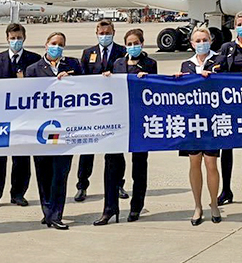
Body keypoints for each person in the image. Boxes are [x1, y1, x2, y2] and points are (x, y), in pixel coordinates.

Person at [96, 28, 158, 225]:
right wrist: (107, 78)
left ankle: (136, 206)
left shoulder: (150, 64)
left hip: (139, 120)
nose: (133, 47)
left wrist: (147, 80)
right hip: (119, 119)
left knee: (139, 164)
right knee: (111, 163)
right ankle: (109, 208)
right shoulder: (118, 63)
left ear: (142, 43)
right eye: (129, 44)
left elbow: (156, 90)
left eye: (136, 43)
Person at [26, 32, 82, 230]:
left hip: (65, 130)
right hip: (41, 130)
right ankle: (47, 211)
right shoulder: (33, 69)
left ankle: (56, 214)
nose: (56, 47)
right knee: (43, 174)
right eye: (53, 43)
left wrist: (72, 81)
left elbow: (87, 87)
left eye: (60, 44)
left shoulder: (73, 65)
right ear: (46, 45)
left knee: (60, 173)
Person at [0, 23, 41, 210]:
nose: (16, 41)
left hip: (24, 117)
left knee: (22, 159)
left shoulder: (34, 59)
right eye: (12, 38)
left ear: (24, 38)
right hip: (0, 117)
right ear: (7, 39)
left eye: (19, 38)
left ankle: (18, 193)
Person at [209, 13, 242, 205]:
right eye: (239, 24)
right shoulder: (227, 47)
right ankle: (226, 189)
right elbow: (217, 66)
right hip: (229, 105)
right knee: (227, 147)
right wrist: (214, 69)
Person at [75, 19, 127, 203]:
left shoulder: (123, 51)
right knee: (87, 149)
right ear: (96, 33)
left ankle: (118, 184)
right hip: (93, 108)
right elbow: (81, 77)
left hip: (114, 108)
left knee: (116, 150)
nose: (105, 36)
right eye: (102, 33)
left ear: (114, 33)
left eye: (108, 33)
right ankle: (82, 186)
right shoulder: (88, 53)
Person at [178, 27, 222, 225]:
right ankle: (197, 205)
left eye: (205, 39)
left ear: (211, 41)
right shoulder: (187, 64)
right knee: (194, 162)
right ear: (192, 44)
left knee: (211, 163)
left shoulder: (219, 61)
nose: (201, 43)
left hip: (212, 120)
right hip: (192, 120)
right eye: (197, 40)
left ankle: (214, 203)